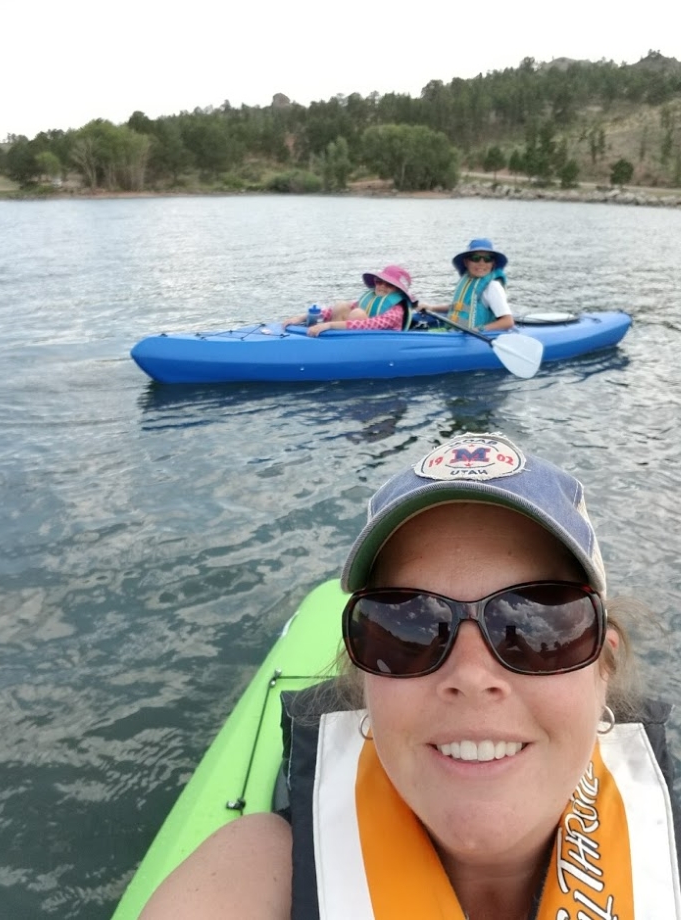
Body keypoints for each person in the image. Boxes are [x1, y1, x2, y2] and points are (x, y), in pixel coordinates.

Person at [140, 433, 681, 920]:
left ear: (602, 666)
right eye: (408, 627)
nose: (471, 676)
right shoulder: (255, 873)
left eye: (537, 624)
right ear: (363, 676)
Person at [283, 265, 416, 336]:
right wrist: (302, 317)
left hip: (379, 341)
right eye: (379, 281)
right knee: (342, 305)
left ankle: (330, 339)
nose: (381, 286)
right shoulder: (373, 298)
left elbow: (369, 325)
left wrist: (328, 325)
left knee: (357, 313)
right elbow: (332, 311)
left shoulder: (396, 311)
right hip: (356, 336)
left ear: (398, 290)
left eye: (388, 284)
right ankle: (328, 338)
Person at [421, 237, 514, 332]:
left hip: (473, 337)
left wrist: (480, 329)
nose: (481, 263)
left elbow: (507, 322)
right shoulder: (469, 281)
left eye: (487, 259)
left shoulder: (493, 287)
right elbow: (459, 308)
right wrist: (432, 308)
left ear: (493, 263)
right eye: (475, 258)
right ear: (466, 262)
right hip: (455, 332)